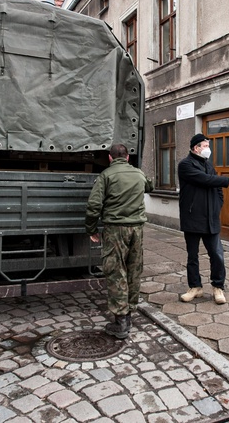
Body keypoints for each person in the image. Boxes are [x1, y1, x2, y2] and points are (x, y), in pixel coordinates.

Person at [85, 144, 153, 339]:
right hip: (137, 229)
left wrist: (90, 228)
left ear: (110, 158)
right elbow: (150, 186)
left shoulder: (106, 175)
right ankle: (129, 312)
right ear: (128, 158)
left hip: (115, 229)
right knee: (134, 269)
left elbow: (94, 204)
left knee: (116, 271)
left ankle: (121, 320)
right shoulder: (138, 173)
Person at [178, 133, 229, 305]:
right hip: (192, 218)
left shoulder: (209, 165)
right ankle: (195, 287)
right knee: (192, 256)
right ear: (195, 148)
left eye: (208, 146)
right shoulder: (185, 165)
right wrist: (227, 180)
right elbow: (204, 180)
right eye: (205, 146)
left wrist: (217, 206)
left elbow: (216, 189)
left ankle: (218, 287)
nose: (208, 149)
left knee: (217, 255)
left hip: (210, 219)